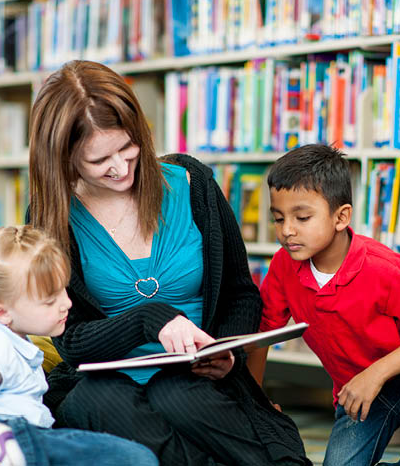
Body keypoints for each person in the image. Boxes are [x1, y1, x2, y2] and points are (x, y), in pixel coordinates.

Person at [28, 60, 310, 466]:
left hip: (198, 379)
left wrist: (229, 352)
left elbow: (240, 294)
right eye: (99, 161)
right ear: (63, 157)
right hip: (109, 380)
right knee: (96, 400)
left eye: (128, 148)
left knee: (175, 393)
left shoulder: (191, 184)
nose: (121, 168)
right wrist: (150, 319)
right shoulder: (50, 217)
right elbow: (68, 339)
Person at [257, 144, 400, 466]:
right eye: (278, 218)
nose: (287, 230)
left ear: (341, 216)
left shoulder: (385, 268)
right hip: (357, 399)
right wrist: (254, 402)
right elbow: (263, 334)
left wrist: (374, 375)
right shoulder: (283, 267)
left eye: (302, 217)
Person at [0, 226, 158, 466]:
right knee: (136, 459)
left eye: (63, 292)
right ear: (1, 312)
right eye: (49, 301)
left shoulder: (11, 337)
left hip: (27, 438)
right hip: (4, 433)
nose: (66, 303)